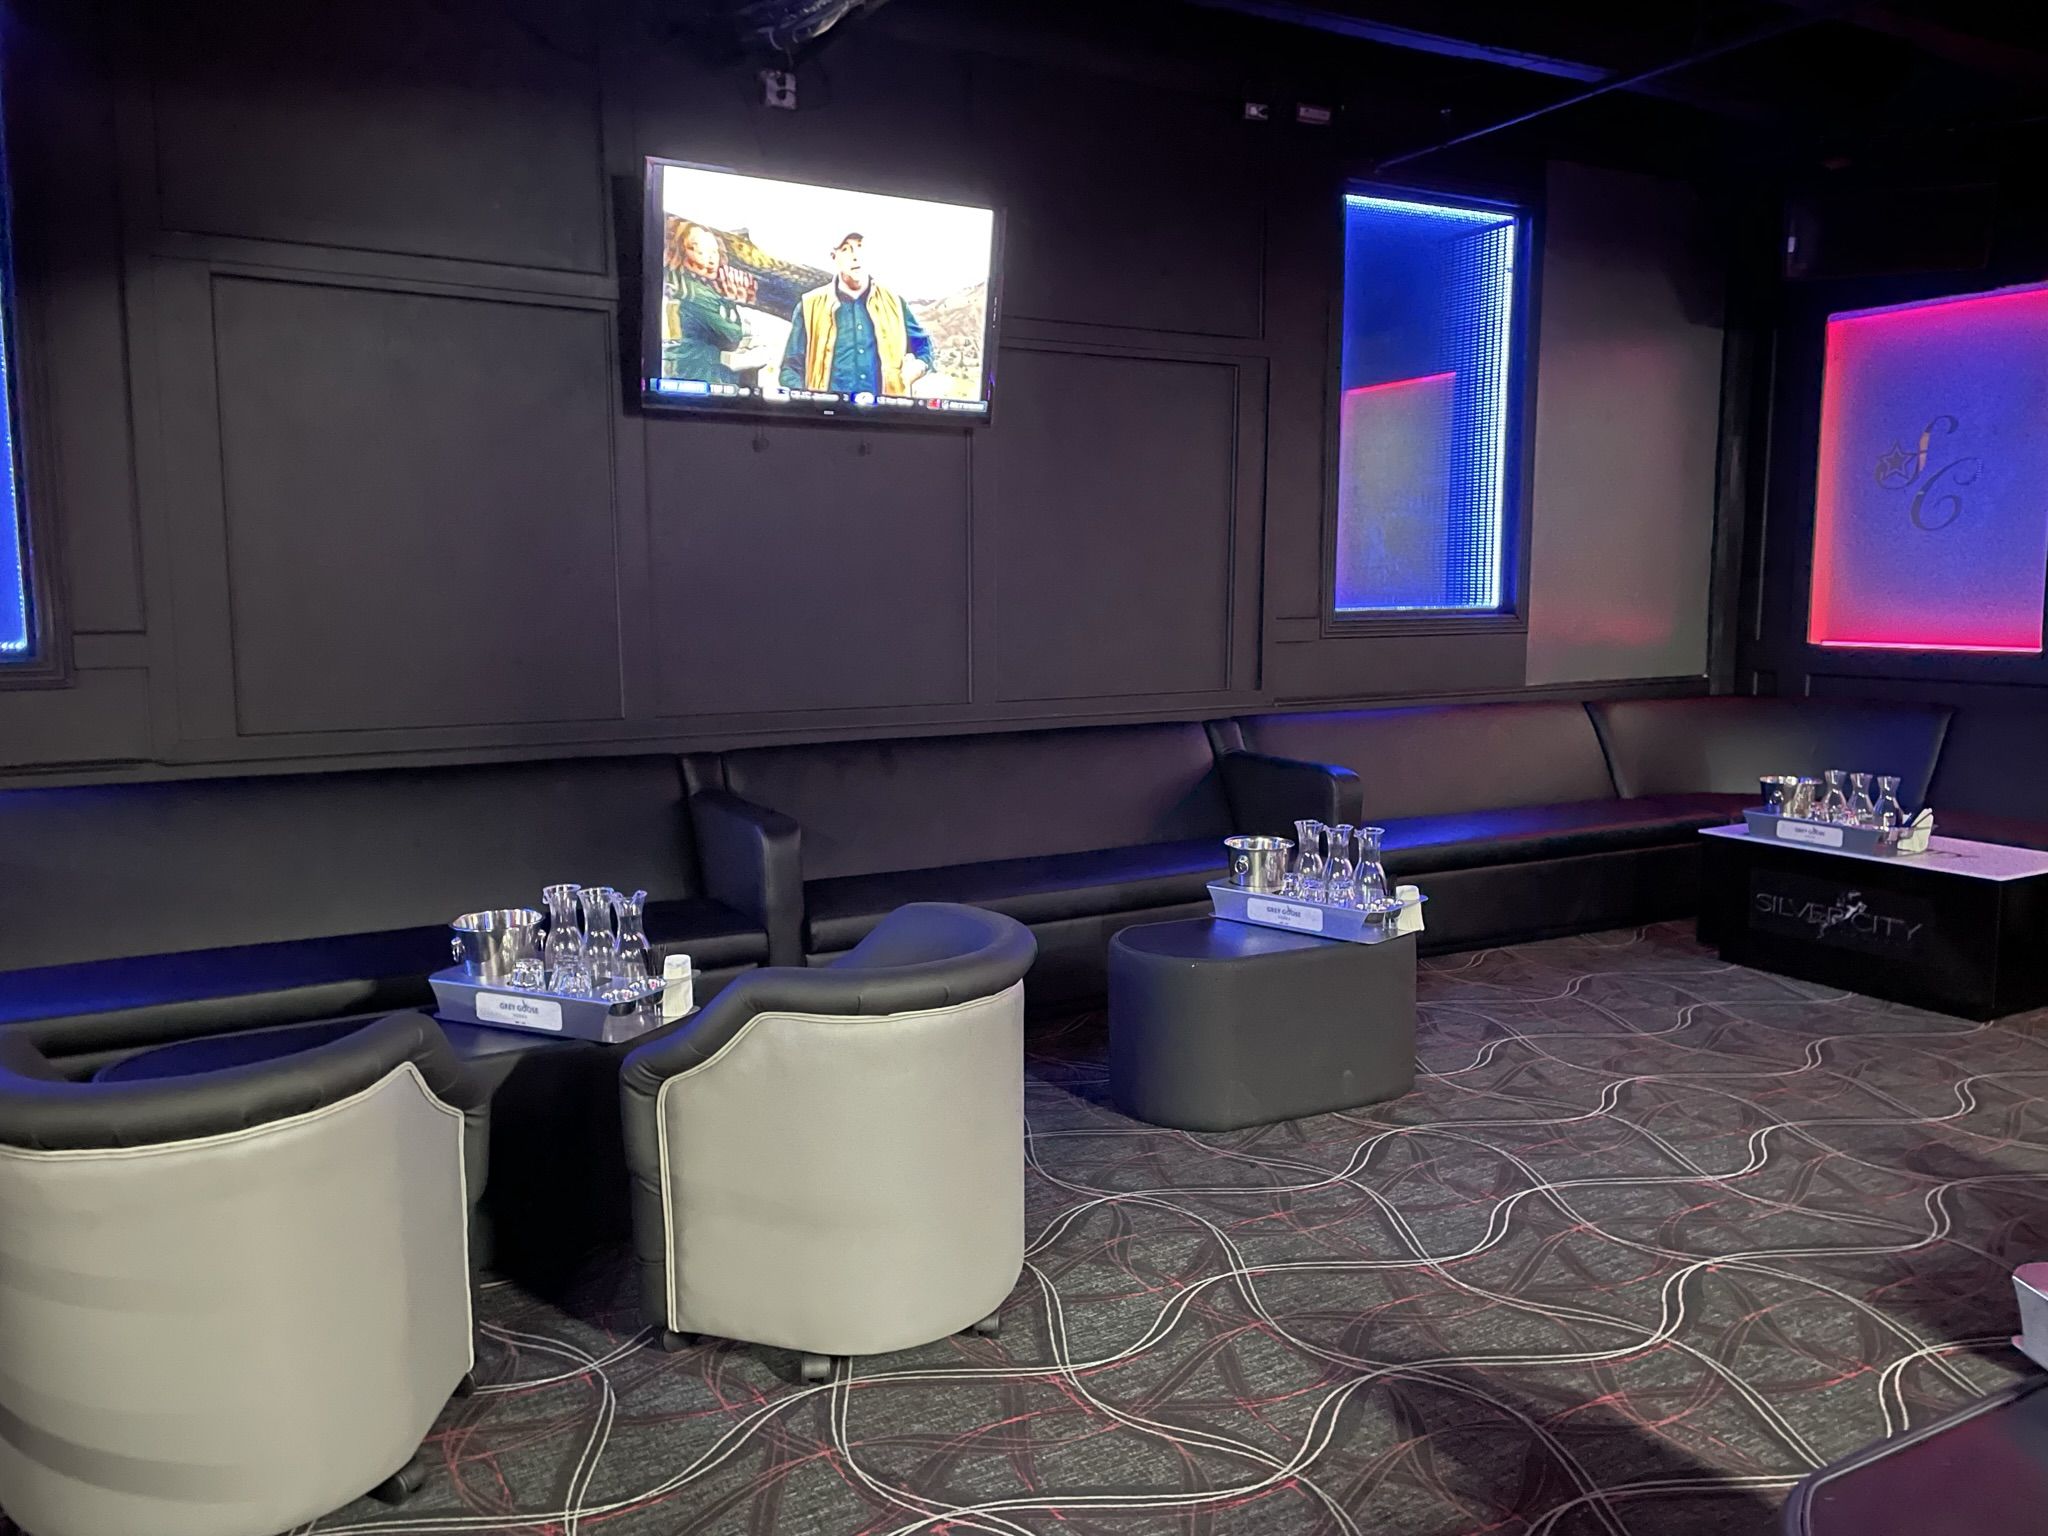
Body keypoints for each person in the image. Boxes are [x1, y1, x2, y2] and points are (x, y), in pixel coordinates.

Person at [778, 232, 936, 397]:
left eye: (860, 246)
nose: (855, 256)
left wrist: (917, 368)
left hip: (885, 411)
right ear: (834, 257)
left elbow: (924, 347)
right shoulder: (810, 305)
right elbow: (790, 369)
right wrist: (809, 403)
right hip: (829, 411)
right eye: (846, 249)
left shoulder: (894, 303)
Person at [662, 221, 745, 386]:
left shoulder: (683, 285)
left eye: (714, 252)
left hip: (688, 376)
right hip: (700, 377)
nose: (712, 260)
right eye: (701, 252)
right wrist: (729, 302)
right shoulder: (695, 293)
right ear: (682, 252)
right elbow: (732, 335)